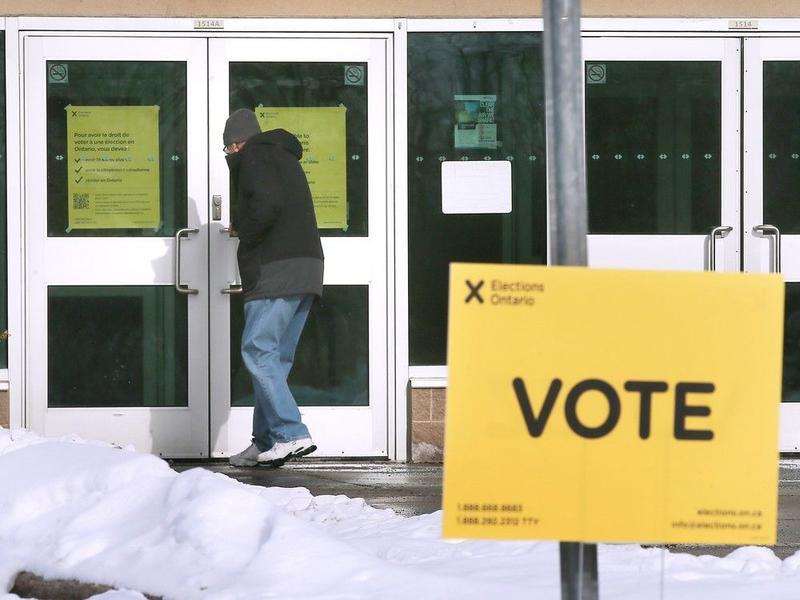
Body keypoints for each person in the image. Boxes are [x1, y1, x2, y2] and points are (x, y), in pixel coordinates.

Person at [223, 108, 324, 467]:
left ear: (235, 145)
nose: (230, 158)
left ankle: (290, 433)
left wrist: (241, 228)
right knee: (275, 359)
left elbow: (266, 205)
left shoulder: (254, 155)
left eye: (227, 152)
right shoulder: (282, 157)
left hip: (275, 269)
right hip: (306, 268)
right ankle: (265, 440)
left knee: (257, 351)